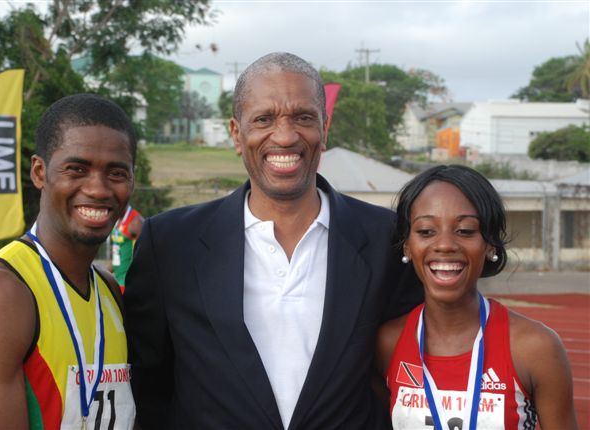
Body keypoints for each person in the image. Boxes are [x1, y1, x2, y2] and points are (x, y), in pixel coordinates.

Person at [124, 52, 423, 429]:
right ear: (236, 133)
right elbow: (147, 387)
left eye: (303, 118)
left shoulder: (389, 240)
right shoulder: (169, 243)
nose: (285, 136)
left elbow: (408, 375)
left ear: (325, 128)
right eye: (264, 119)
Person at [0, 94, 137, 429]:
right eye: (77, 169)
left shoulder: (107, 290)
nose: (98, 188)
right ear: (39, 172)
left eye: (116, 173)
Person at [376, 165, 578, 429]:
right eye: (426, 231)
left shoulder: (535, 348)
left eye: (465, 231)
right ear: (407, 246)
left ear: (490, 244)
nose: (445, 245)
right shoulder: (387, 343)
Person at [110, 204, 143, 293]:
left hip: (130, 283)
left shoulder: (136, 222)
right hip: (117, 280)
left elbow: (146, 255)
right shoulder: (116, 219)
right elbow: (117, 253)